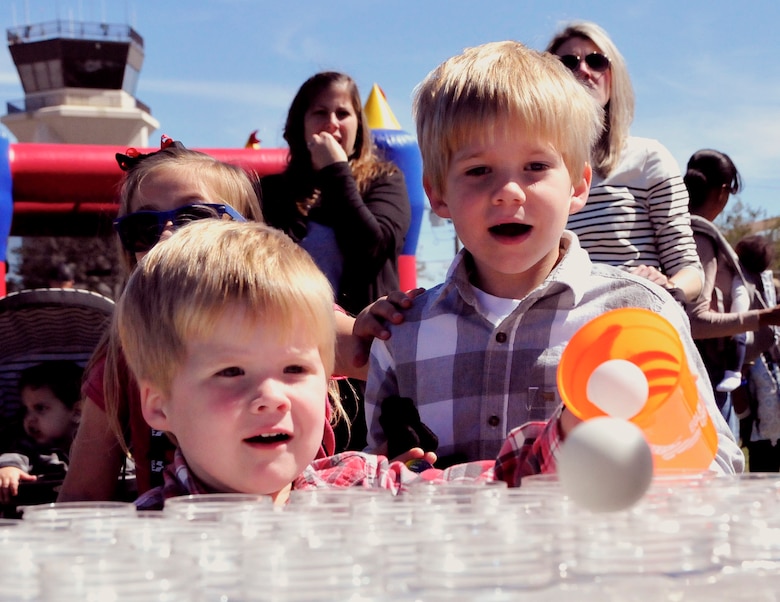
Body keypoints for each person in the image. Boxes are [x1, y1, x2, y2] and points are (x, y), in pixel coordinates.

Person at [362, 40, 742, 474]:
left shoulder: (640, 314)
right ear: (437, 193)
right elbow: (375, 480)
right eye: (478, 170)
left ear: (579, 186)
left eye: (536, 167)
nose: (508, 191)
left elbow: (717, 466)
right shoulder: (402, 336)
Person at [114, 220, 542, 510]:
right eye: (231, 372)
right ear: (159, 403)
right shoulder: (136, 549)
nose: (271, 398)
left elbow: (492, 483)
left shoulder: (361, 484)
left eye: (294, 370)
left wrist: (569, 436)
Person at [545, 21, 703, 304]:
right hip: (558, 329)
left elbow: (690, 270)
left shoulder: (648, 159)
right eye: (568, 62)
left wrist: (664, 288)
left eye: (596, 61)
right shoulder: (534, 171)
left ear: (613, 76)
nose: (584, 70)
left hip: (633, 324)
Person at [260, 71, 411, 317]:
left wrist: (335, 172)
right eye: (320, 113)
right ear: (300, 125)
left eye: (342, 114)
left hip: (363, 341)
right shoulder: (272, 191)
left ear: (358, 126)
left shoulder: (385, 180)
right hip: (289, 337)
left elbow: (373, 248)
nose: (332, 122)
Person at [684, 149, 780, 431]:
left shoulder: (674, 232)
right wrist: (766, 317)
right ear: (723, 192)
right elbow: (695, 322)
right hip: (706, 376)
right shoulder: (701, 239)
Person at [0, 361, 83, 505]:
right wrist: (9, 469)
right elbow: (15, 456)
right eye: (26, 410)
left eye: (40, 408)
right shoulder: (29, 448)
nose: (29, 419)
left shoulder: (97, 447)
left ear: (77, 412)